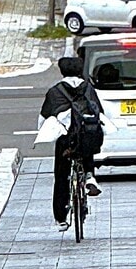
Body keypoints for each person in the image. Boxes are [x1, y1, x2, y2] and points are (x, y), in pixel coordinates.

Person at [37, 55, 105, 231]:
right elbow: (99, 112)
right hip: (86, 136)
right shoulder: (88, 88)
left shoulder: (54, 91)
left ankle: (61, 218)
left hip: (66, 140)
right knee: (87, 145)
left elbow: (43, 118)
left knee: (61, 177)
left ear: (62, 71)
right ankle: (90, 175)